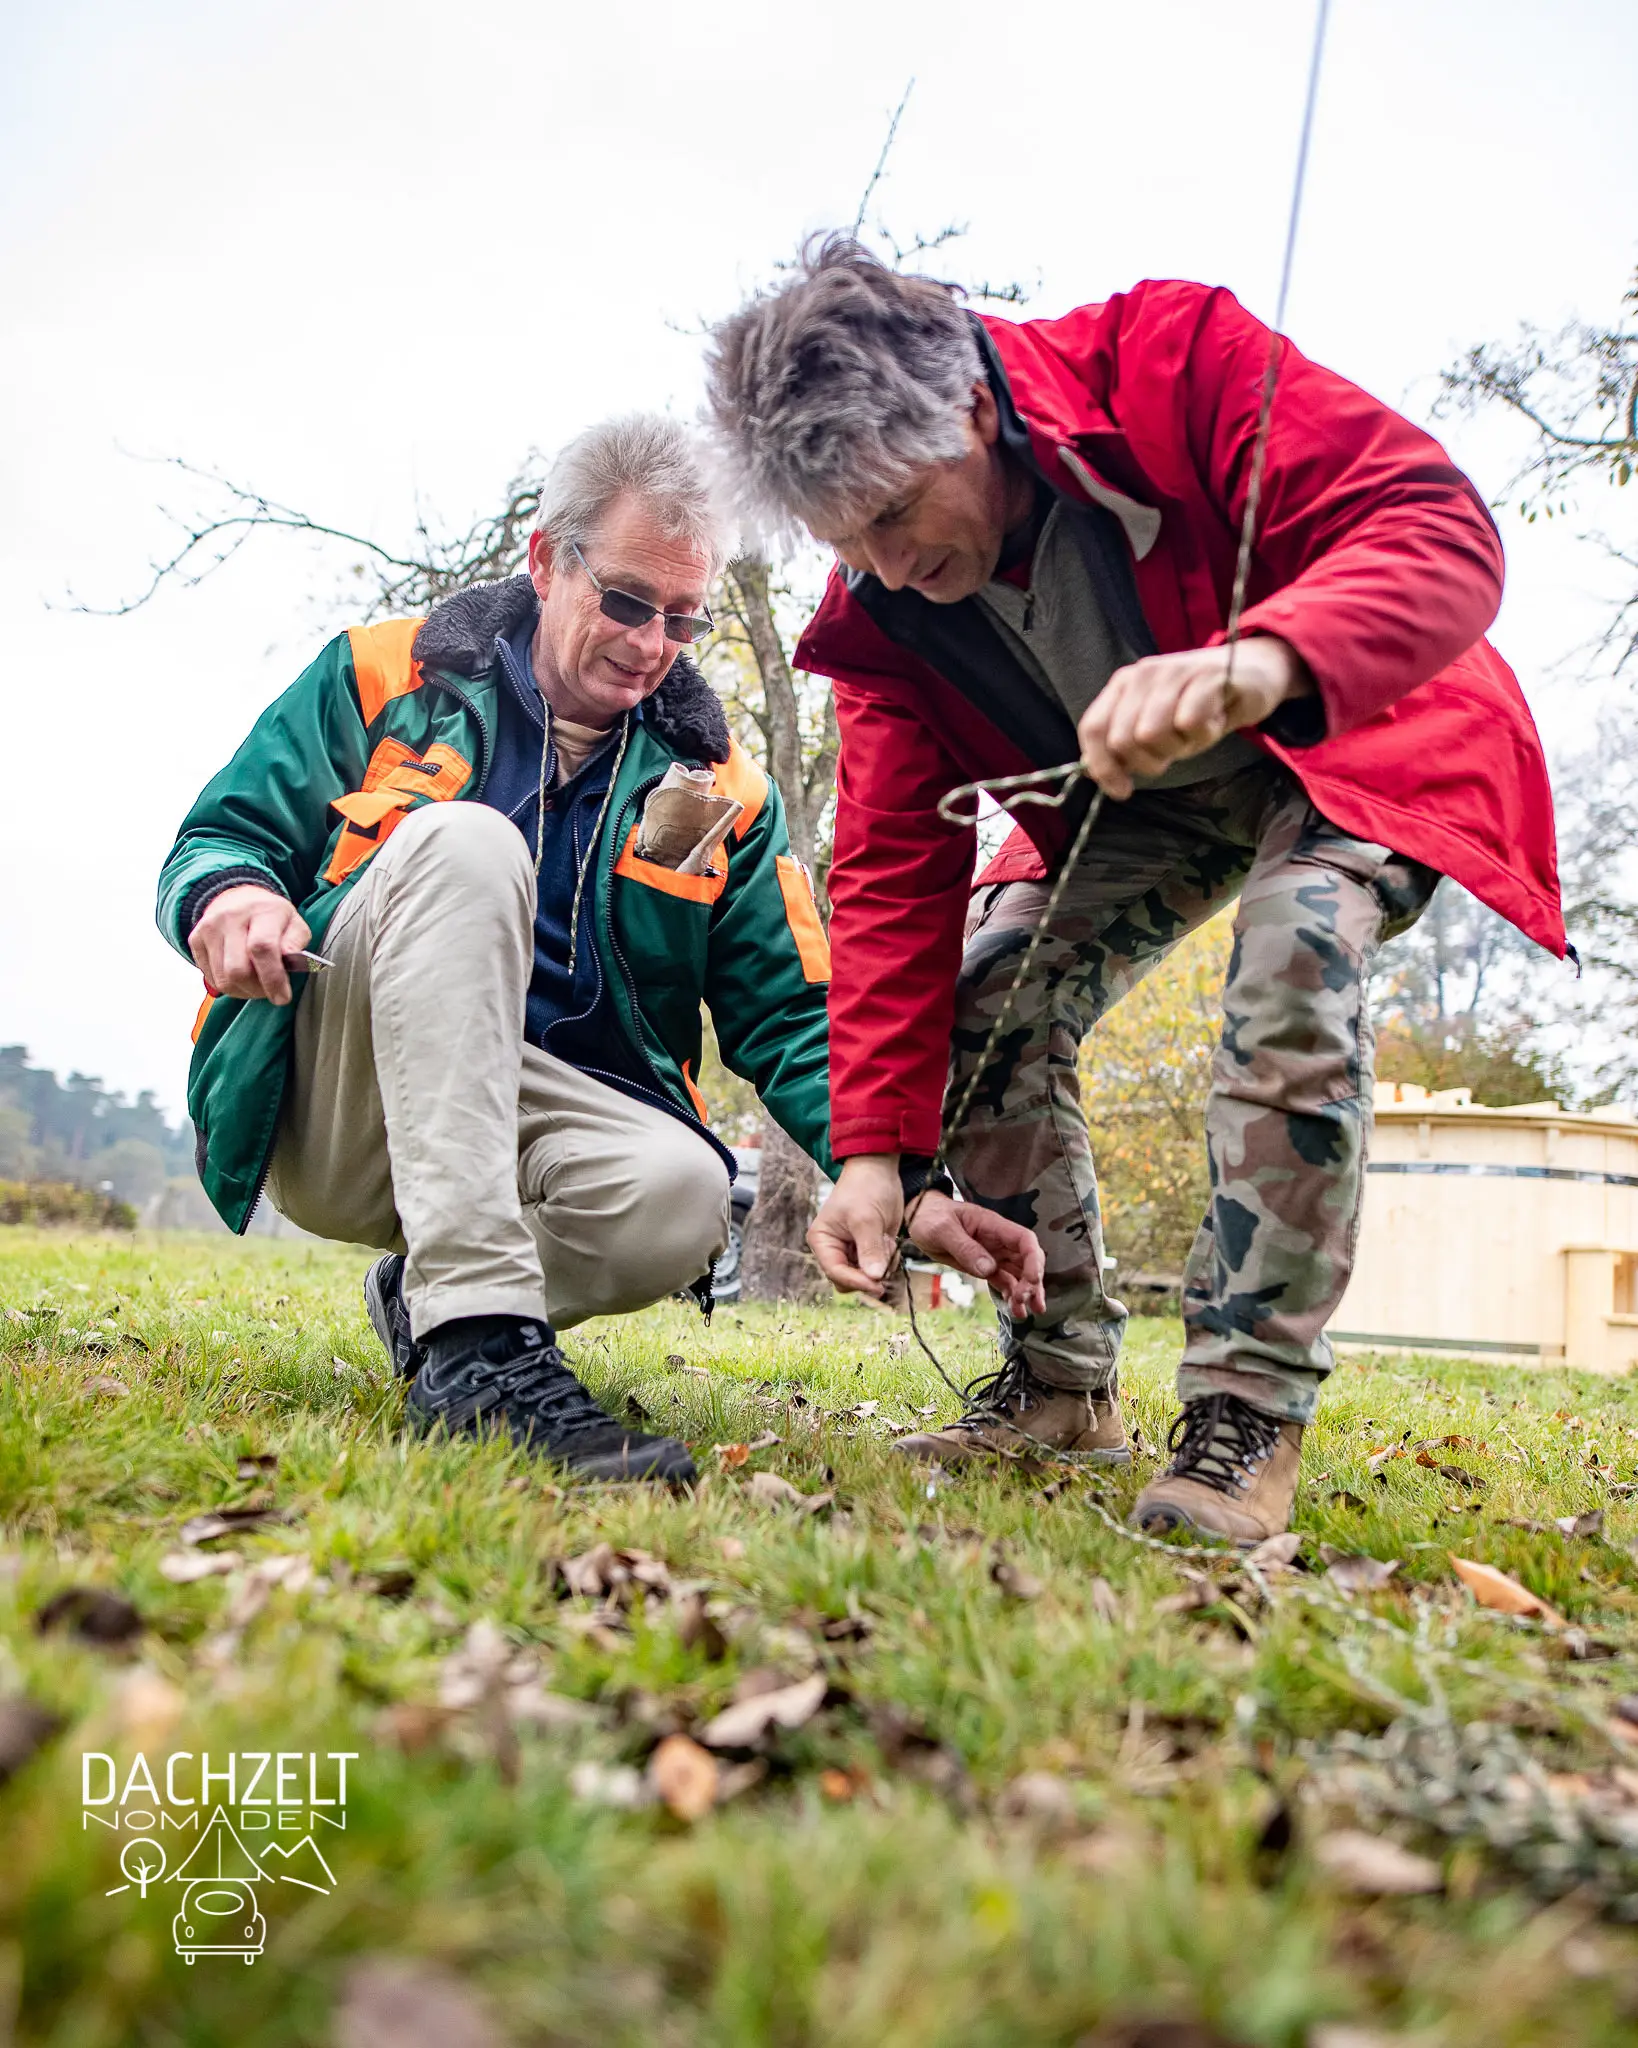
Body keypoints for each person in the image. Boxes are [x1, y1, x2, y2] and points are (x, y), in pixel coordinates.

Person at [703, 239, 1563, 1540]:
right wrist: (872, 1156)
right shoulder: (882, 619)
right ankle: (1060, 1388)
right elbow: (888, 878)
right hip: (1133, 804)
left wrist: (1262, 658)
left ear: (970, 414)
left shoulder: (1171, 362)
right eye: (845, 542)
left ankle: (1242, 1420)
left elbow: (1437, 533)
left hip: (1344, 731)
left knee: (1296, 946)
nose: (877, 566)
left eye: (891, 516)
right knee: (983, 1002)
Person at [159, 416, 880, 1482]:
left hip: (541, 1108)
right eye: (627, 602)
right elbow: (218, 836)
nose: (649, 644)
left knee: (687, 1191)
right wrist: (231, 896)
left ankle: (434, 1297)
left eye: (683, 618)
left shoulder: (726, 791)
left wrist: (884, 1160)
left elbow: (792, 1013)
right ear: (547, 558)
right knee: (465, 843)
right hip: (339, 1095)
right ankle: (475, 1353)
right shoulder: (378, 673)